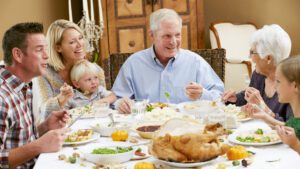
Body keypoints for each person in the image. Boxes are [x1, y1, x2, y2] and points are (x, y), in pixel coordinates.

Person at [112, 8, 224, 113]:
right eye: (167, 36)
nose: (173, 42)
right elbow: (115, 99)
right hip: (144, 128)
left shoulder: (196, 62)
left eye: (177, 35)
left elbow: (221, 97)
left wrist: (202, 94)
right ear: (152, 35)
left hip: (186, 127)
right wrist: (119, 103)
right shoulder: (133, 64)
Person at [0, 22, 70, 169]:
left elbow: (15, 140)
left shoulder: (25, 86)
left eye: (46, 49)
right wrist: (39, 146)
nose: (46, 56)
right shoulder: (2, 98)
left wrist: (44, 128)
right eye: (39, 50)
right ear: (18, 54)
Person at [222, 24, 293, 121]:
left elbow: (293, 129)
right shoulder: (259, 74)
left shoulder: (292, 84)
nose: (249, 56)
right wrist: (236, 98)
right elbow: (250, 97)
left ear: (268, 58)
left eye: (252, 52)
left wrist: (263, 107)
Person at [37, 19, 106, 108]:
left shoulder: (95, 70)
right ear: (58, 48)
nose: (80, 44)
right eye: (72, 42)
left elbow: (105, 102)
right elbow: (43, 113)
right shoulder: (44, 74)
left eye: (80, 38)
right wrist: (61, 99)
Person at [246, 56, 300, 154]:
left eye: (278, 82)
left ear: (295, 86)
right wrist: (265, 117)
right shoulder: (296, 118)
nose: (275, 86)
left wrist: (295, 144)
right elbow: (290, 128)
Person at [42, 60, 117, 118]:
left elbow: (113, 96)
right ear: (76, 84)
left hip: (100, 121)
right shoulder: (72, 96)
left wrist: (103, 101)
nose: (94, 82)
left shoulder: (99, 90)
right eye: (88, 79)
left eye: (96, 77)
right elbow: (62, 111)